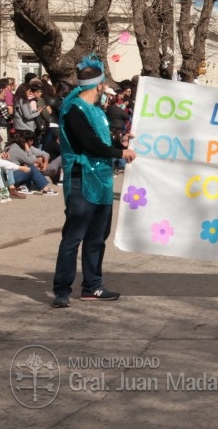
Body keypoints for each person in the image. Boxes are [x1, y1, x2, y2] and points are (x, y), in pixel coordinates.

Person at [52, 56, 137, 308]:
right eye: (104, 85)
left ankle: (92, 286)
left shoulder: (97, 112)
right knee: (73, 236)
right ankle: (61, 289)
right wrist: (120, 154)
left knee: (97, 237)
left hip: (101, 181)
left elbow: (101, 141)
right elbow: (87, 144)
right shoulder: (73, 109)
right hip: (81, 178)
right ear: (98, 86)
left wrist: (119, 143)